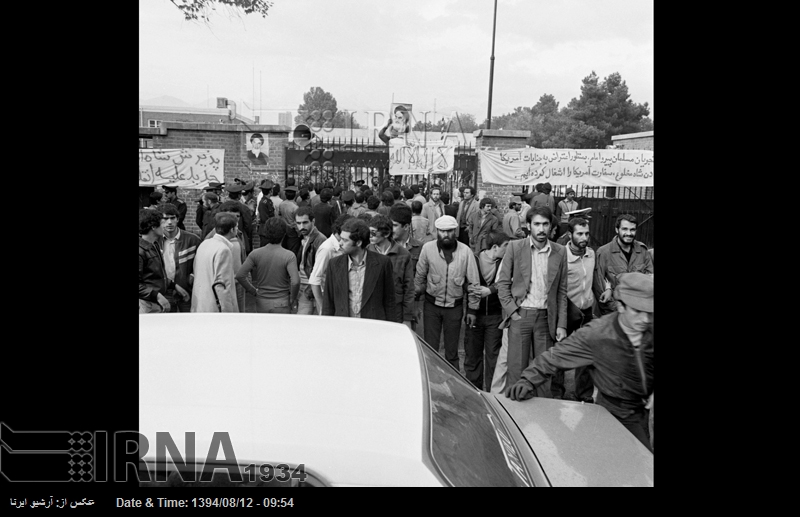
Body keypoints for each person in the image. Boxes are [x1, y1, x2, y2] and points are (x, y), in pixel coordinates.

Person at [504, 272, 654, 452]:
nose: (645, 319)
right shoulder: (597, 335)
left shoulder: (649, 326)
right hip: (614, 415)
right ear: (621, 306)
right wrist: (528, 380)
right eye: (637, 312)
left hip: (643, 411)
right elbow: (555, 356)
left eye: (649, 313)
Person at [495, 206, 568, 397]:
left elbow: (562, 291)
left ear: (551, 226)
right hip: (521, 315)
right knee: (516, 370)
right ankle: (514, 410)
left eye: (545, 224)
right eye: (537, 224)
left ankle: (541, 412)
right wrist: (513, 312)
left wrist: (561, 324)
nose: (541, 229)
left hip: (546, 318)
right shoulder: (515, 247)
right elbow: (503, 283)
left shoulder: (560, 251)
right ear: (528, 226)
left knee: (543, 372)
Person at [414, 215, 481, 370]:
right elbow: (419, 278)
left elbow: (473, 282)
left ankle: (452, 381)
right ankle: (431, 379)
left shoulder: (465, 252)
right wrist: (415, 303)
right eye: (442, 231)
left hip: (454, 307)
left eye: (449, 231)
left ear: (455, 231)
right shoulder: (428, 248)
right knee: (430, 349)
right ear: (437, 231)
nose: (446, 234)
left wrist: (472, 310)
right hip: (431, 306)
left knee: (452, 351)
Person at [322, 218, 396, 320]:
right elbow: (328, 302)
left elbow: (389, 300)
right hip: (343, 325)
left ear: (358, 243)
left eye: (345, 240)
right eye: (340, 239)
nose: (340, 243)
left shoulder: (383, 263)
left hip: (372, 324)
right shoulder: (334, 264)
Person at [465, 231, 510, 391]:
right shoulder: (474, 259)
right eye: (505, 245)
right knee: (473, 355)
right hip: (474, 314)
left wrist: (490, 290)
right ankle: (473, 392)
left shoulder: (505, 262)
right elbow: (463, 279)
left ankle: (492, 394)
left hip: (495, 315)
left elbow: (508, 281)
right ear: (495, 247)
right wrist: (468, 288)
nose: (508, 249)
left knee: (494, 357)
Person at [560, 217, 596, 403]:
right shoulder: (561, 256)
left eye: (586, 234)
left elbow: (597, 278)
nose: (584, 237)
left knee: (587, 354)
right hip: (567, 311)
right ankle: (556, 394)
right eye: (580, 234)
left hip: (586, 311)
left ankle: (583, 394)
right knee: (561, 352)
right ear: (570, 234)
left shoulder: (591, 254)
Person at [235, 217, 300, 314]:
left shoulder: (255, 254)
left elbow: (240, 275)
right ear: (284, 234)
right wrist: (292, 298)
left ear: (265, 233)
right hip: (282, 301)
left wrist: (253, 291)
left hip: (262, 301)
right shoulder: (289, 256)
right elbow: (295, 282)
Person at [593, 214, 653, 316]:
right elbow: (599, 288)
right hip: (613, 313)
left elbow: (650, 281)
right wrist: (619, 310)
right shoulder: (603, 253)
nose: (629, 233)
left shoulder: (642, 251)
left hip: (639, 311)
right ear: (617, 230)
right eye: (625, 229)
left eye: (632, 230)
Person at [367, 215, 415, 327]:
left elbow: (409, 288)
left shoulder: (403, 254)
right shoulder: (366, 252)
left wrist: (407, 317)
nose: (370, 236)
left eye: (374, 233)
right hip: (372, 311)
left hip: (395, 311)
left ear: (386, 234)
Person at [191, 212, 239, 313]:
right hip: (215, 309)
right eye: (237, 226)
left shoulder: (204, 243)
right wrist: (229, 313)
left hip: (199, 304)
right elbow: (222, 285)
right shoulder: (224, 250)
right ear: (232, 229)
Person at [204, 202, 248, 312]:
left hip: (239, 282)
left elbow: (242, 256)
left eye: (238, 216)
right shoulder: (212, 236)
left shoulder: (239, 234)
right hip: (224, 285)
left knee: (240, 314)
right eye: (232, 216)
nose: (235, 220)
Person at [139, 209, 184, 313]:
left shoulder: (154, 244)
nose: (165, 225)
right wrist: (157, 296)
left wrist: (173, 285)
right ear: (153, 227)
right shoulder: (141, 250)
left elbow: (155, 274)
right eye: (162, 223)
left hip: (154, 302)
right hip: (146, 304)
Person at [390, 204, 425, 335]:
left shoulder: (419, 248)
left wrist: (417, 292)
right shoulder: (384, 247)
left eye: (394, 225)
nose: (390, 229)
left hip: (412, 304)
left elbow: (424, 278)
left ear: (406, 227)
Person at [159, 204, 200, 313]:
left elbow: (202, 264)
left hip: (187, 290)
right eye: (165, 218)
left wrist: (192, 277)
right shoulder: (155, 241)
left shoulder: (193, 240)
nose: (169, 222)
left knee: (189, 321)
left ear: (177, 219)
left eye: (172, 218)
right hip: (164, 292)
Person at [309, 213, 352, 315]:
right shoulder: (327, 248)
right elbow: (314, 280)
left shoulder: (345, 246)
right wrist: (322, 307)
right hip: (329, 297)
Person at [294, 206, 327, 315]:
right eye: (298, 223)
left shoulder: (320, 240)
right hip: (304, 285)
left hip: (312, 287)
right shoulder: (302, 237)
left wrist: (309, 291)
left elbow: (320, 271)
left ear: (313, 221)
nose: (301, 227)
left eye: (305, 222)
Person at [224, 183, 254, 254]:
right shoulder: (244, 208)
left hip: (224, 239)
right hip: (239, 239)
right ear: (239, 195)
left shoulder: (221, 207)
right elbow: (248, 226)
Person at [279, 186, 301, 256]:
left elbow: (280, 215)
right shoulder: (295, 207)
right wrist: (299, 232)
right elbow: (296, 221)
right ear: (295, 195)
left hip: (284, 228)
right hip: (292, 229)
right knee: (293, 249)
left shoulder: (281, 204)